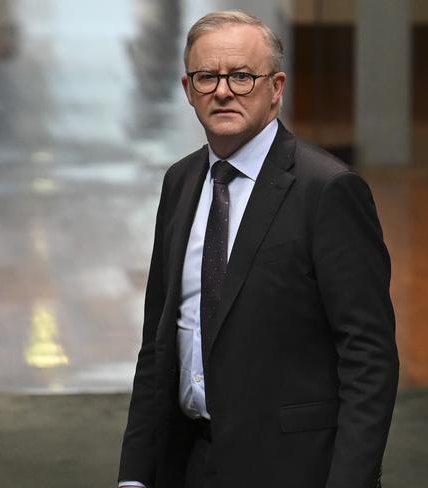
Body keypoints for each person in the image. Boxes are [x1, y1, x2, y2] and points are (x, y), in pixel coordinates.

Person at [118, 10, 399, 488]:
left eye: (243, 76)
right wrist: (134, 476)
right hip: (189, 465)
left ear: (277, 87)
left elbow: (369, 355)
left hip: (295, 469)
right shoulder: (180, 182)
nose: (223, 91)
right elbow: (160, 342)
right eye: (208, 77)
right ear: (188, 90)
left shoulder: (328, 190)